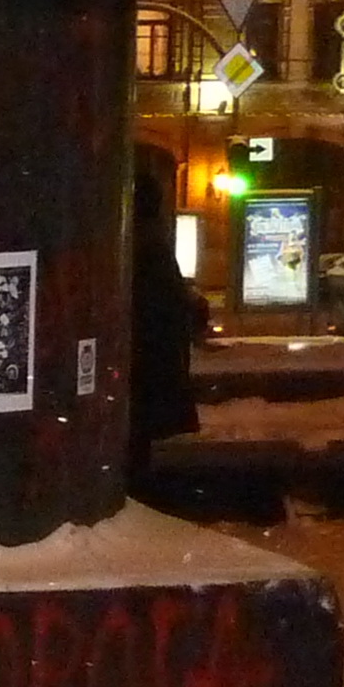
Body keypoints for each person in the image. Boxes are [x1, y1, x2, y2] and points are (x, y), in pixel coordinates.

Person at [125, 158, 203, 483]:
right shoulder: (156, 247)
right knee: (139, 449)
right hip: (155, 375)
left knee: (134, 448)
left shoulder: (138, 252)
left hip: (142, 376)